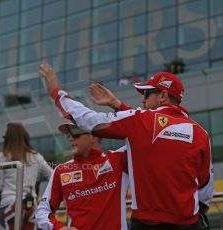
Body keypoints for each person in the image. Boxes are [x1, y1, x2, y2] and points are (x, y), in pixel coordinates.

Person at [39, 63, 213, 230]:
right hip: (189, 223)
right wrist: (117, 104)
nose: (142, 100)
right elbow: (205, 188)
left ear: (162, 96)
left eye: (146, 94)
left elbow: (88, 119)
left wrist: (56, 92)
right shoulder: (201, 133)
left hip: (148, 225)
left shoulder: (141, 121)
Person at [36, 122, 129, 230]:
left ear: (94, 136)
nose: (70, 139)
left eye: (75, 134)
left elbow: (143, 135)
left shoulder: (118, 159)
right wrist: (59, 228)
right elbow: (42, 211)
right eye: (68, 135)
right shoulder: (61, 171)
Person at [0, 122, 53, 230]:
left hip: (9, 204)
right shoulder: (36, 156)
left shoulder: (3, 156)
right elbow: (53, 176)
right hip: (30, 205)